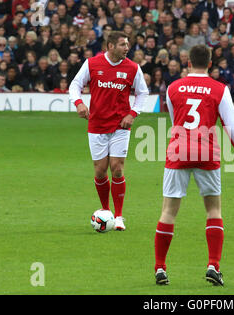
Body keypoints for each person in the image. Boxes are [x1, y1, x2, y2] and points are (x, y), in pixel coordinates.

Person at [154, 44, 234, 286]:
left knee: (168, 211)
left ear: (188, 62)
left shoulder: (173, 88)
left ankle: (160, 268)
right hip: (207, 153)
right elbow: (232, 127)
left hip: (178, 152)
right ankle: (213, 265)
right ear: (210, 64)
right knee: (213, 211)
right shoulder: (219, 89)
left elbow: (174, 120)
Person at [69, 31, 149, 231]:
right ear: (111, 46)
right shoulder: (92, 64)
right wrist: (79, 103)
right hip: (97, 125)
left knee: (117, 167)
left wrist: (132, 113)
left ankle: (119, 216)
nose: (127, 48)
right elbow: (75, 85)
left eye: (127, 44)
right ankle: (106, 212)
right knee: (99, 170)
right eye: (123, 44)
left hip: (120, 126)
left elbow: (143, 92)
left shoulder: (132, 68)